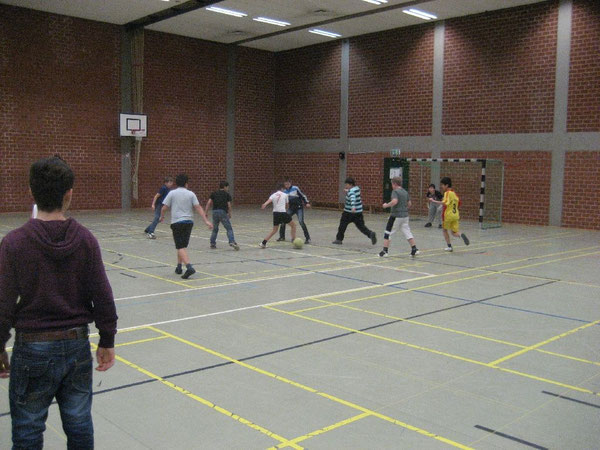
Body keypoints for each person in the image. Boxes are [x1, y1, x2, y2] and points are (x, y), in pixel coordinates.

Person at [0, 156, 118, 449]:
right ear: (69, 194)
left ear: (31, 192)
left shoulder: (14, 242)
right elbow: (102, 295)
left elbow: (2, 302)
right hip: (76, 347)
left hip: (32, 350)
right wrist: (107, 340)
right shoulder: (86, 240)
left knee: (27, 430)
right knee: (79, 425)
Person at [160, 173, 213, 279]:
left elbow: (164, 207)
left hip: (177, 222)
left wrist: (161, 216)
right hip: (189, 222)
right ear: (186, 183)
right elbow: (198, 207)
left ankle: (189, 267)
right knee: (182, 246)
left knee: (180, 246)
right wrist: (206, 220)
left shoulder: (172, 193)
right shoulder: (191, 194)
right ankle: (179, 267)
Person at [379, 176, 419, 257]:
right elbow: (409, 204)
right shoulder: (405, 192)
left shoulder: (395, 192)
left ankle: (385, 251)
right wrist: (403, 209)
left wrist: (386, 205)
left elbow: (394, 201)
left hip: (395, 216)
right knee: (407, 232)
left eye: (392, 184)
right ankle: (414, 248)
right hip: (405, 216)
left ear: (394, 184)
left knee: (388, 232)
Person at [429, 176, 470, 252]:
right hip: (456, 215)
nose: (441, 186)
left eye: (443, 185)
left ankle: (449, 247)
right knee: (454, 232)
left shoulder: (447, 193)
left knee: (444, 230)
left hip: (448, 215)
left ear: (447, 185)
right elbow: (459, 203)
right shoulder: (454, 194)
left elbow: (444, 202)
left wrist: (433, 201)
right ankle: (461, 235)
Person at [332, 177, 377, 246]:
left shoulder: (351, 192)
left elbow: (353, 198)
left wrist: (353, 207)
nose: (346, 186)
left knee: (342, 225)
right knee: (361, 226)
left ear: (350, 184)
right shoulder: (357, 189)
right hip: (358, 212)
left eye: (346, 184)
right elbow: (353, 194)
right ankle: (370, 234)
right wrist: (347, 191)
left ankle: (339, 239)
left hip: (349, 212)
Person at [260, 183, 296, 248]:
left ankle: (263, 243)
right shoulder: (285, 195)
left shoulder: (273, 195)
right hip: (282, 213)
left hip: (275, 213)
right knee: (293, 226)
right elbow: (287, 205)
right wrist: (286, 209)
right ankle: (294, 240)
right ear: (282, 189)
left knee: (274, 230)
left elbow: (269, 201)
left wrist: (264, 204)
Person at [205, 181, 239, 250]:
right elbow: (229, 205)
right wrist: (229, 213)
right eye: (227, 187)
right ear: (225, 187)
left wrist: (206, 212)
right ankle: (231, 241)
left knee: (215, 229)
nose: (228, 189)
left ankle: (212, 243)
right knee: (229, 228)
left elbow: (208, 203)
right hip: (223, 212)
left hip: (215, 212)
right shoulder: (227, 194)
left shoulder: (214, 193)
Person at [277, 177, 312, 244]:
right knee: (283, 220)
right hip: (291, 208)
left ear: (290, 183)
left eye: (288, 184)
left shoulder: (295, 188)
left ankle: (308, 238)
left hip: (299, 208)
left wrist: (306, 203)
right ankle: (282, 236)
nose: (287, 185)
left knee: (301, 221)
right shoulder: (284, 191)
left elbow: (303, 196)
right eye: (285, 184)